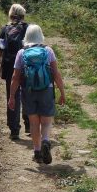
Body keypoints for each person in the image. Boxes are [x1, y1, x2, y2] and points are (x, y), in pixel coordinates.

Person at [8, 24, 66, 164]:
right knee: (46, 123)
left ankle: (37, 152)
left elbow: (15, 77)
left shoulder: (21, 53)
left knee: (34, 124)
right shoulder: (48, 51)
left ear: (26, 36)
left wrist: (11, 96)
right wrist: (62, 92)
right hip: (47, 89)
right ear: (41, 35)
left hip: (28, 91)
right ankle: (46, 141)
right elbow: (56, 74)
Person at [0, 4, 30, 140]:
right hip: (27, 66)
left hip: (10, 67)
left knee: (12, 96)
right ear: (23, 15)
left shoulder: (5, 29)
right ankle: (29, 124)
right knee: (27, 94)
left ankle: (14, 130)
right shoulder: (28, 28)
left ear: (10, 15)